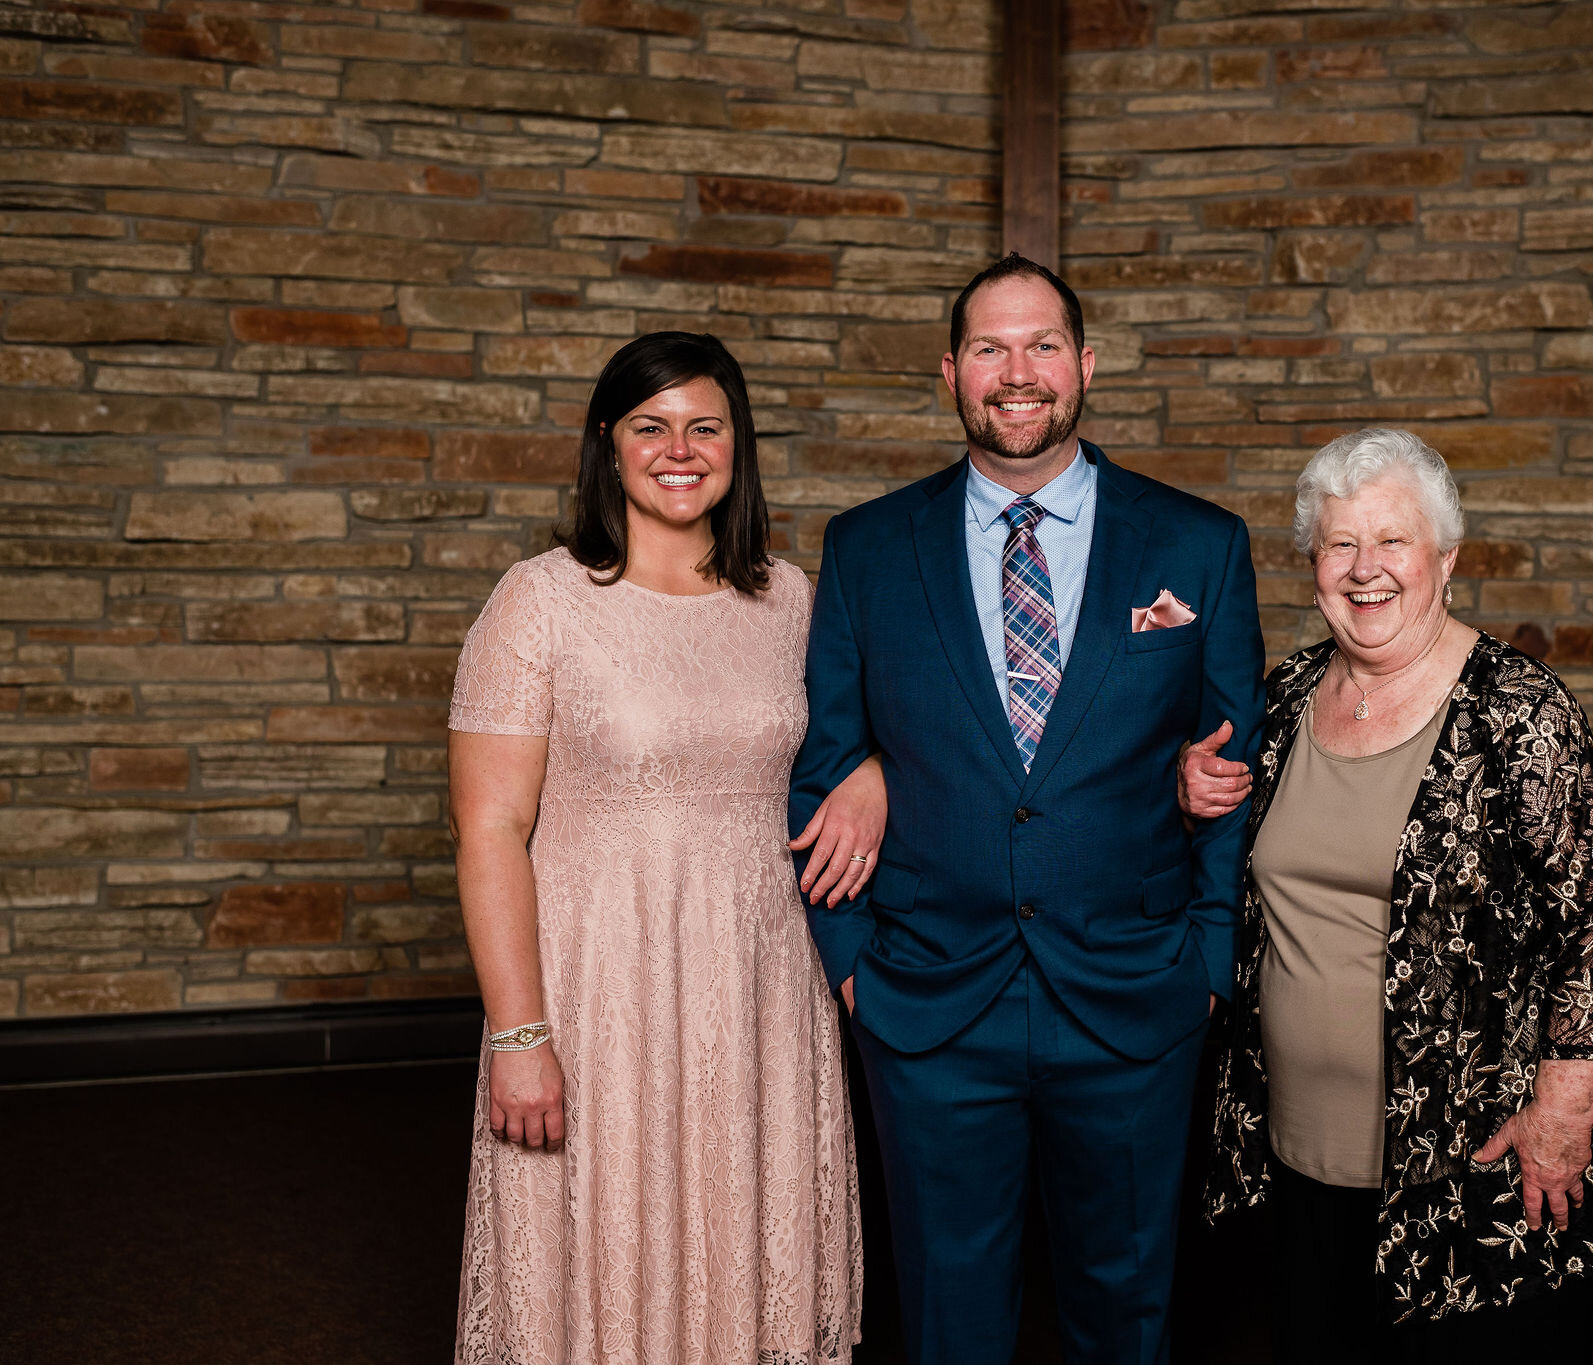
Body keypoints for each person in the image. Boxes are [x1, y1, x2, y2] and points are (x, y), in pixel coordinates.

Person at [788, 255, 1265, 1365]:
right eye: (990, 350)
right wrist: (855, 962)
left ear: (1084, 365)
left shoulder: (1198, 544)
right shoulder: (865, 549)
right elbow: (823, 764)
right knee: (947, 1313)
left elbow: (1233, 769)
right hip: (928, 999)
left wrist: (1206, 958)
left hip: (1136, 992)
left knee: (1127, 1306)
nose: (1017, 373)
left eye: (1042, 345)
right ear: (950, 372)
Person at [448, 332, 881, 1364]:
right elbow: (490, 829)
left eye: (705, 426)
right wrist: (518, 1037)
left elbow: (849, 744)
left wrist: (870, 772)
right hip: (598, 988)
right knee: (601, 1234)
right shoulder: (539, 601)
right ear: (608, 444)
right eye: (650, 426)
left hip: (758, 988)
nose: (678, 449)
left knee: (743, 1231)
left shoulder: (789, 599)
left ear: (738, 446)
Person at [1182, 427, 1593, 1362]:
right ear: (1313, 562)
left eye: (1391, 541)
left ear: (1446, 558)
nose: (1366, 570)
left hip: (1474, 1167)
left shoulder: (1519, 710)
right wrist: (1188, 784)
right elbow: (1240, 877)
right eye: (1339, 543)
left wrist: (1563, 1119)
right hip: (1296, 1160)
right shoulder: (1281, 701)